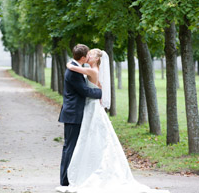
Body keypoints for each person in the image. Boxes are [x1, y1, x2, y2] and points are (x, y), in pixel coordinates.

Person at [56, 49, 170, 193]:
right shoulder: (88, 69)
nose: (89, 56)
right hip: (86, 109)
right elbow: (86, 84)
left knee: (90, 141)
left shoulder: (90, 70)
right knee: (84, 142)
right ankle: (74, 175)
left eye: (91, 55)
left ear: (97, 59)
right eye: (88, 54)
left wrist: (70, 65)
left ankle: (79, 175)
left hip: (91, 107)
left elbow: (78, 75)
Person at [58, 44, 102, 187]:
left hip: (76, 112)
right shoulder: (74, 71)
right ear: (83, 58)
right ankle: (65, 180)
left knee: (74, 146)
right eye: (88, 55)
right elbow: (85, 91)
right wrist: (102, 93)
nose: (89, 56)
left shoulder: (75, 66)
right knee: (69, 146)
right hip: (73, 113)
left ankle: (71, 176)